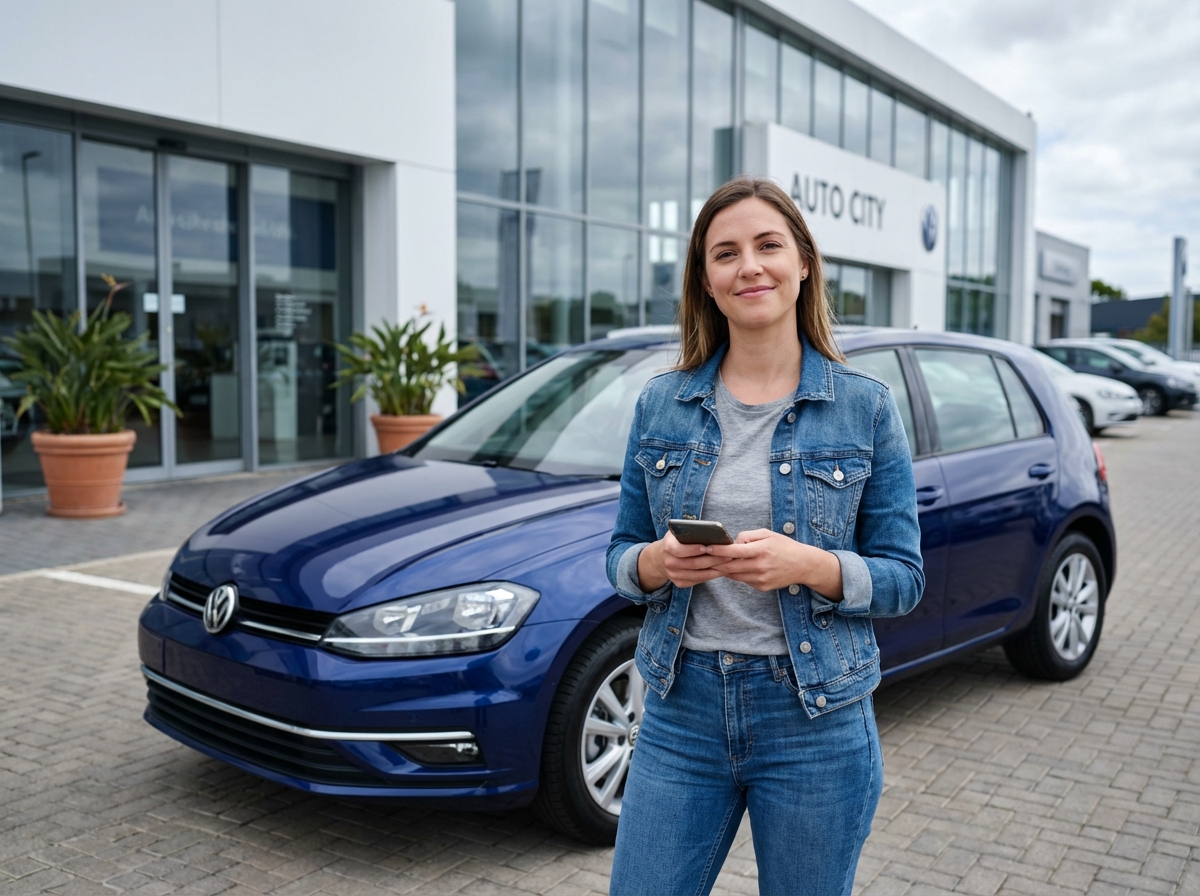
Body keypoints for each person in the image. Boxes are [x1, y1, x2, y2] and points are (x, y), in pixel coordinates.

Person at [605, 177, 924, 895]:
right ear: (707, 282)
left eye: (767, 245)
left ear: (804, 262)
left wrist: (809, 564)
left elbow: (904, 579)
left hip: (814, 717)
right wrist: (656, 563)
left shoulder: (865, 408)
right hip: (680, 709)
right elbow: (620, 557)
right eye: (726, 254)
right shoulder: (662, 403)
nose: (749, 266)